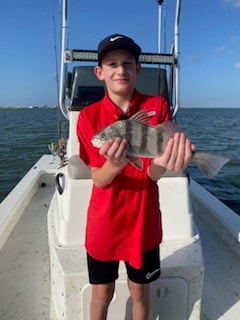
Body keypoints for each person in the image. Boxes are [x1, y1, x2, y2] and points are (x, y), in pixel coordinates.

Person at [77, 34, 194, 320]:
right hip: (104, 223)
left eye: (128, 63)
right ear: (99, 72)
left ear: (137, 69)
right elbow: (99, 179)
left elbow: (152, 174)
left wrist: (167, 162)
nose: (121, 70)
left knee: (141, 292)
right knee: (101, 294)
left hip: (144, 221)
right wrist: (115, 165)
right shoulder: (89, 117)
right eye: (112, 63)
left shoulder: (157, 105)